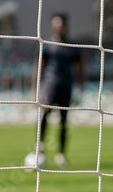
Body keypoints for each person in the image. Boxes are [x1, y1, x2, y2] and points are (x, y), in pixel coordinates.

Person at [32, 13, 84, 168]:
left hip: (66, 86)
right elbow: (39, 67)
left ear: (65, 26)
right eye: (56, 24)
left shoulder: (73, 47)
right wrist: (35, 90)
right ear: (53, 26)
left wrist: (81, 87)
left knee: (64, 121)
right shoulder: (47, 44)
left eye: (61, 24)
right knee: (46, 113)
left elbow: (80, 69)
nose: (59, 27)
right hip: (50, 84)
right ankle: (40, 146)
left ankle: (61, 154)